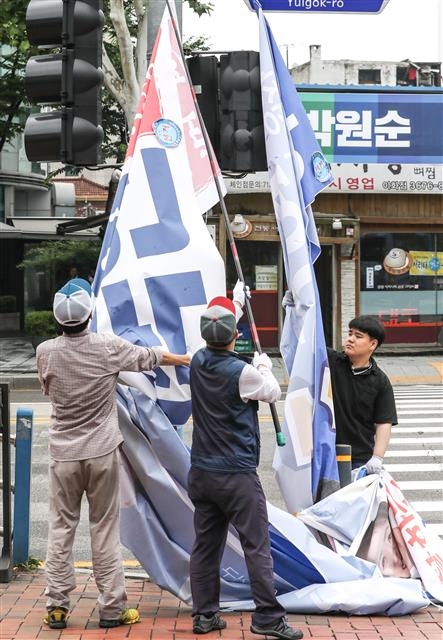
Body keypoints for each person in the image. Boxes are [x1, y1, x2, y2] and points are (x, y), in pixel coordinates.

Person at [36, 277, 190, 630]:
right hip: (102, 451)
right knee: (103, 529)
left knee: (61, 529)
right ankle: (112, 608)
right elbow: (148, 358)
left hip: (63, 454)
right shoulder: (106, 346)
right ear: (89, 318)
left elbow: (48, 389)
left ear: (58, 321)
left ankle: (57, 606)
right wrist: (183, 357)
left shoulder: (46, 351)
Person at [188, 286, 303, 640]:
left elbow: (221, 326)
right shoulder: (244, 373)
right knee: (256, 545)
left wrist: (236, 301)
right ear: (236, 337)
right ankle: (267, 616)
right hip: (236, 474)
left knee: (206, 547)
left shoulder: (196, 360)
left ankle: (205, 615)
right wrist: (265, 365)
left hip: (202, 472)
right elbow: (272, 390)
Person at [284, 291, 396, 474]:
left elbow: (384, 422)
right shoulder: (331, 362)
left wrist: (377, 457)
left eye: (358, 336)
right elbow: (305, 345)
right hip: (324, 453)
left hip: (359, 458)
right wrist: (294, 314)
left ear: (373, 344)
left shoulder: (380, 381)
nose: (350, 339)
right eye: (350, 333)